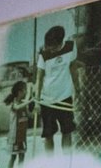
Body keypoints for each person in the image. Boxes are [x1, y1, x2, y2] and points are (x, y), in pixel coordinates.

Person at [35, 25, 82, 155]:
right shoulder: (43, 54)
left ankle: (66, 161)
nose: (50, 49)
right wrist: (37, 101)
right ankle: (50, 162)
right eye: (48, 46)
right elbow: (39, 78)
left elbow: (73, 68)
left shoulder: (70, 47)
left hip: (65, 97)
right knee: (48, 134)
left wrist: (78, 90)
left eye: (53, 46)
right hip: (47, 100)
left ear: (60, 42)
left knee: (67, 131)